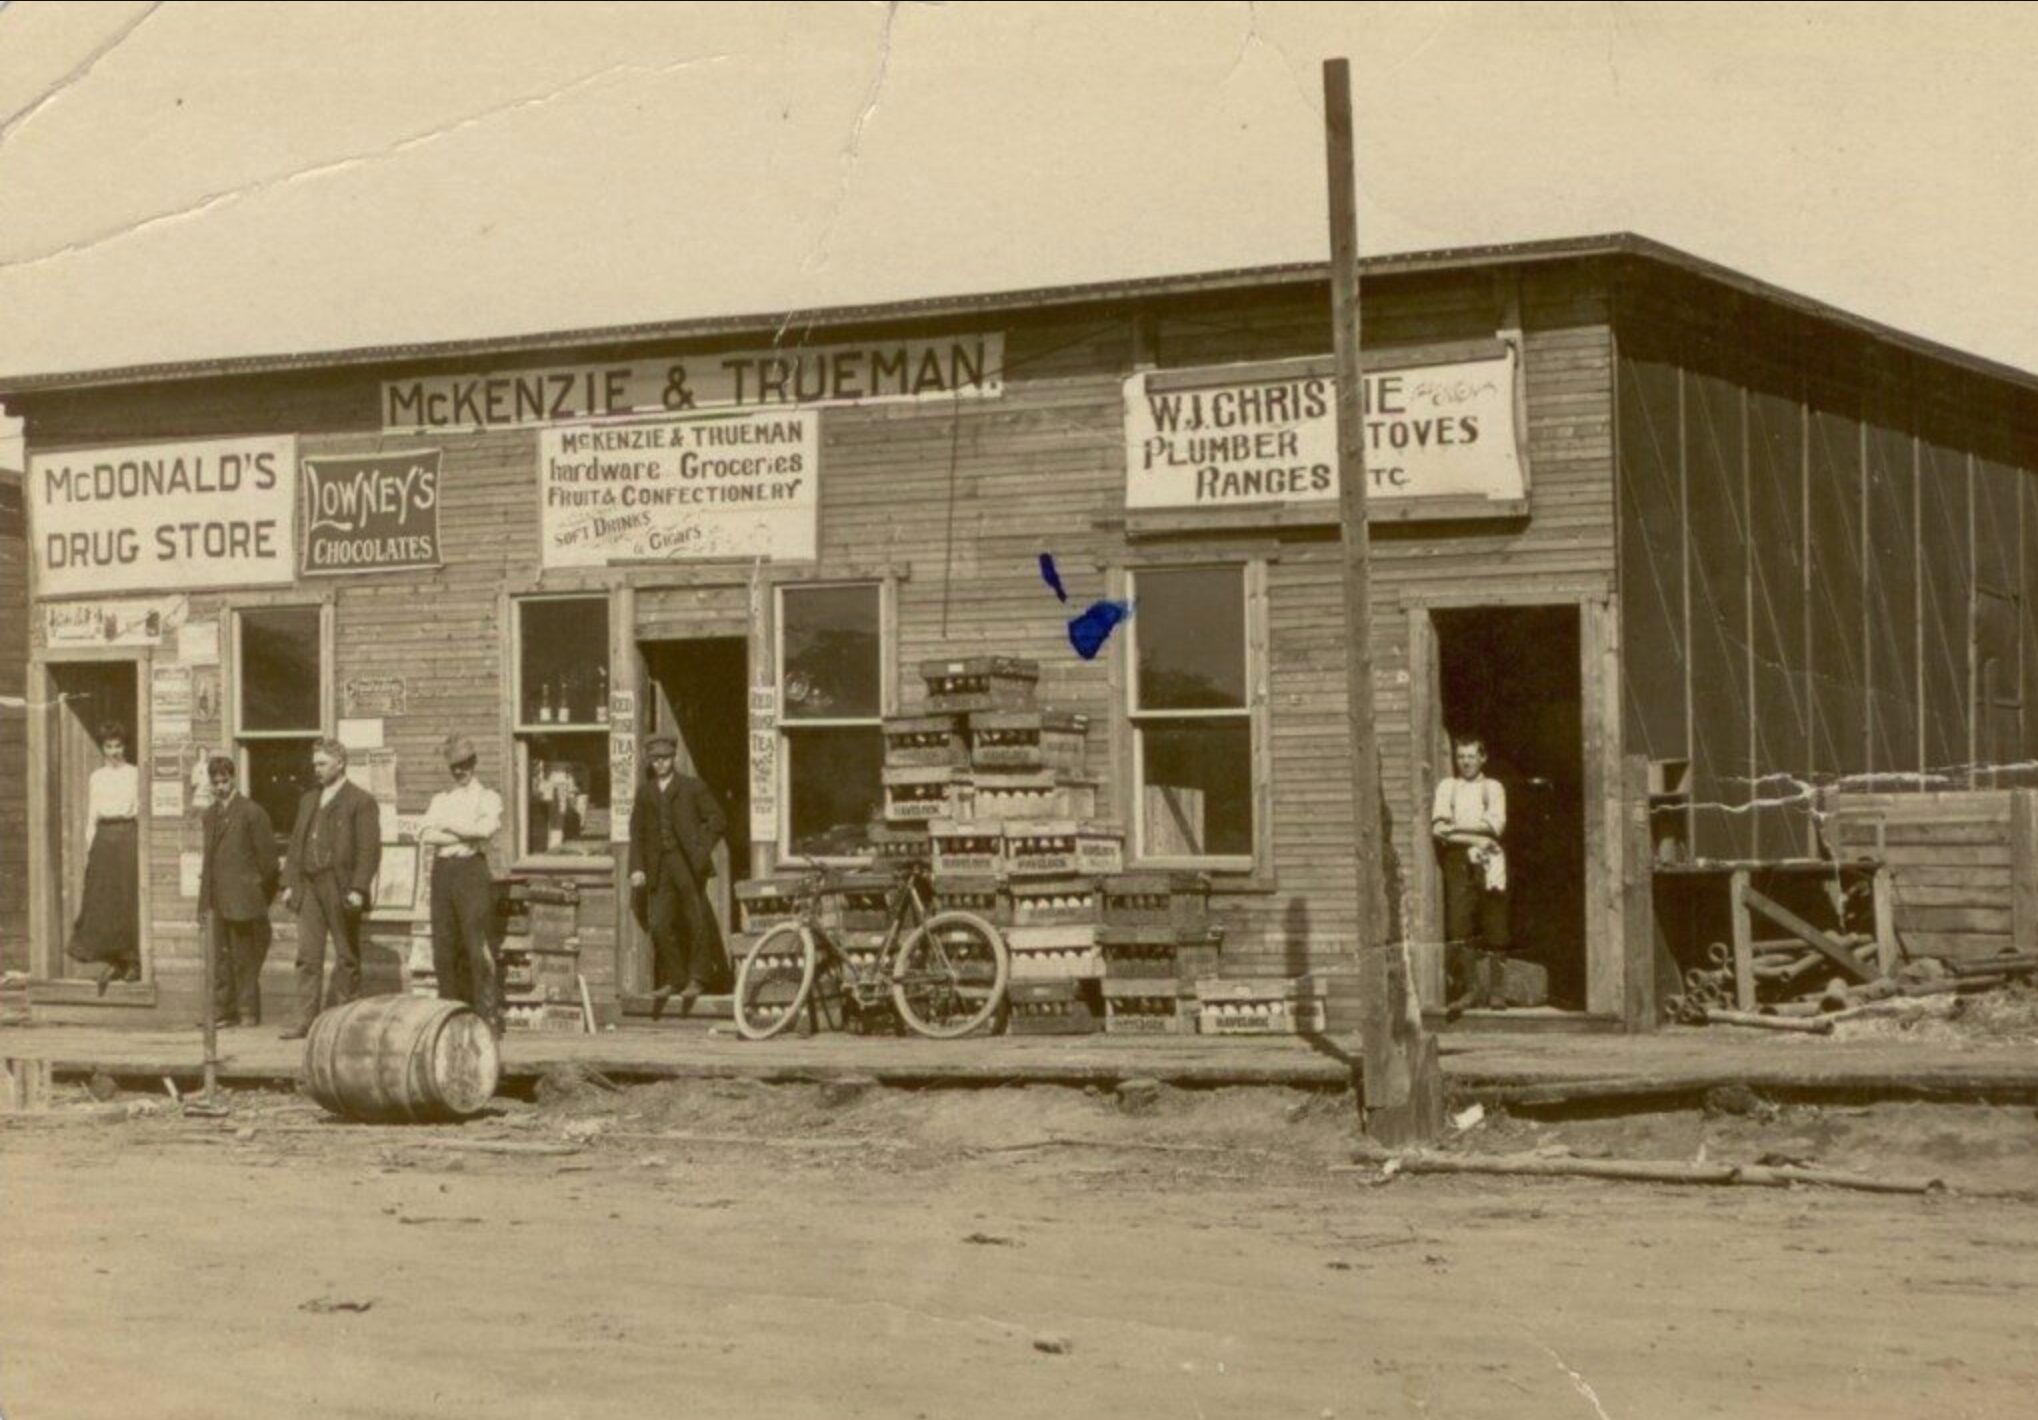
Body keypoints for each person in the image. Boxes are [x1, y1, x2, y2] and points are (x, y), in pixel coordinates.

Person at [281, 739, 381, 1039]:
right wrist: (289, 883)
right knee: (307, 956)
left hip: (341, 887)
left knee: (346, 956)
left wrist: (358, 888)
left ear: (340, 763)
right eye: (315, 764)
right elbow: (296, 843)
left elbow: (369, 850)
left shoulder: (360, 801)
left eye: (322, 764)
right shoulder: (309, 799)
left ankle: (345, 1021)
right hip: (310, 885)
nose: (317, 769)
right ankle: (305, 1020)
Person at [628, 736, 727, 1016]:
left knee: (696, 919)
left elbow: (717, 819)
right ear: (650, 761)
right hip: (658, 867)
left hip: (687, 864)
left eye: (665, 758)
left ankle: (699, 977)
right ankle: (676, 978)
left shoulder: (692, 787)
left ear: (674, 758)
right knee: (659, 923)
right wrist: (636, 867)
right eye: (655, 759)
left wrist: (700, 848)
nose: (660, 764)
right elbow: (637, 832)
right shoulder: (645, 793)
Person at [419, 734, 505, 1034]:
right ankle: (451, 1017)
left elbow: (485, 831)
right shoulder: (441, 799)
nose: (459, 771)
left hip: (471, 872)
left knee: (476, 946)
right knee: (444, 947)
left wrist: (447, 826)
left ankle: (485, 1017)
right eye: (454, 766)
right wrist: (463, 833)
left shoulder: (488, 797)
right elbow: (425, 834)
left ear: (474, 762)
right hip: (443, 872)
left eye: (465, 764)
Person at [196, 756, 281, 1027]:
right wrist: (203, 904)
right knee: (219, 958)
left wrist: (254, 893)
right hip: (216, 900)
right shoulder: (209, 816)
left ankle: (247, 1013)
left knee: (244, 959)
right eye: (215, 782)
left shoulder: (252, 812)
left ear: (234, 779)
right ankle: (222, 1012)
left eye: (225, 781)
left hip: (244, 900)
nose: (220, 787)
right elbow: (208, 862)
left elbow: (269, 863)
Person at [1432, 735, 1510, 1004]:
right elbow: (1438, 830)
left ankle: (1497, 992)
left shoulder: (1493, 787)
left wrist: (1455, 827)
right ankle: (1470, 989)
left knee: (1495, 922)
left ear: (1482, 758)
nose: (1465, 762)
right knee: (1459, 924)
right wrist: (1475, 837)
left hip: (1490, 857)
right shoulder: (1448, 787)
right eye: (1461, 757)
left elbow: (1495, 826)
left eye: (1471, 756)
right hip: (1458, 860)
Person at [66, 722, 141, 995]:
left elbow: (140, 810)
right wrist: (90, 849)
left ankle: (132, 959)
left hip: (127, 834)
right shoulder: (96, 777)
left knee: (126, 896)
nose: (114, 751)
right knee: (103, 898)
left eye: (118, 746)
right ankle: (114, 960)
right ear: (103, 749)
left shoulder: (135, 773)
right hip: (104, 837)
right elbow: (92, 814)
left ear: (125, 746)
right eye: (109, 746)